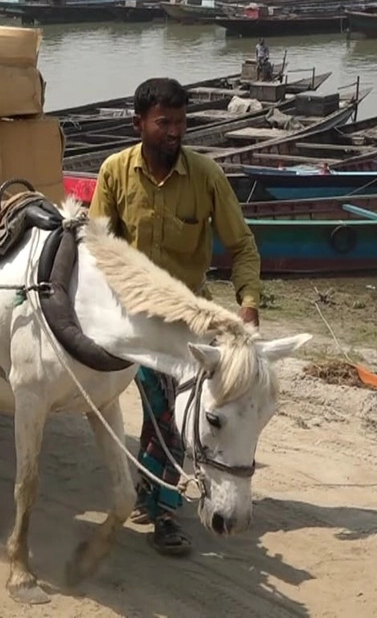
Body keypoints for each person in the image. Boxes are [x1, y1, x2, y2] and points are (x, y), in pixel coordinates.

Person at [88, 77, 262, 557]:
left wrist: (248, 304)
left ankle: (159, 505)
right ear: (139, 123)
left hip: (190, 321)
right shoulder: (114, 172)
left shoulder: (206, 176)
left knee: (176, 416)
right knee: (164, 415)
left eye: (181, 122)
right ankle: (159, 502)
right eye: (163, 122)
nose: (174, 131)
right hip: (134, 320)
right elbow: (97, 245)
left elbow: (242, 245)